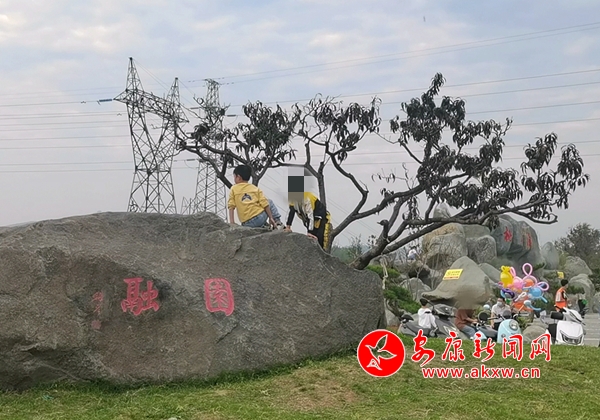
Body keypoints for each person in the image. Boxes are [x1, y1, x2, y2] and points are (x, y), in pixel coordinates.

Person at [227, 165, 284, 229]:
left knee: (263, 205)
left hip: (246, 223)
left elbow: (231, 206)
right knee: (269, 202)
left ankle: (264, 226)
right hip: (259, 219)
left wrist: (232, 222)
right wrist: (271, 218)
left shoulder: (233, 189)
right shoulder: (255, 188)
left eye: (234, 176)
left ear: (238, 177)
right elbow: (265, 204)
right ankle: (277, 222)